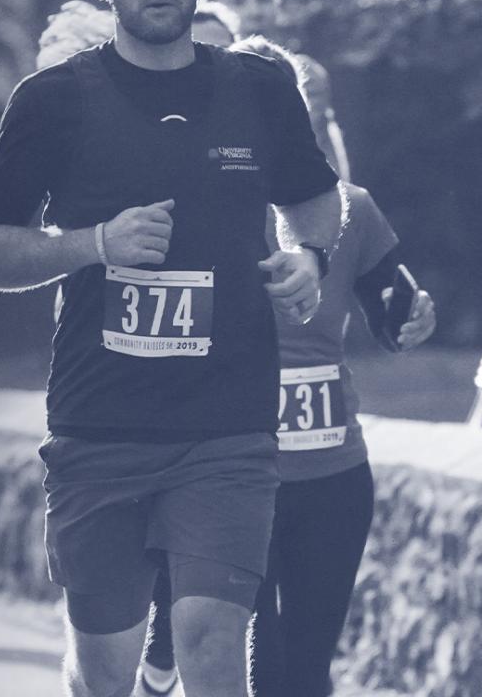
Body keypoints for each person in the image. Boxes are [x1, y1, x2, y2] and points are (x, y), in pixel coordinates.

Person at [0, 0, 342, 697]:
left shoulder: (259, 88)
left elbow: (318, 207)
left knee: (208, 643)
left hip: (227, 425)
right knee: (105, 673)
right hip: (102, 428)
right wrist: (93, 242)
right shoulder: (54, 100)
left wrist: (309, 259)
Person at [132, 37, 437, 697]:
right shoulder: (191, 208)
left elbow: (394, 310)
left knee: (305, 669)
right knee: (256, 659)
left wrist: (412, 319)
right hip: (227, 473)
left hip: (332, 475)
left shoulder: (350, 209)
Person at [206, 0, 351, 181]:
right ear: (212, 8)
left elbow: (338, 183)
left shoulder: (307, 75)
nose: (254, 11)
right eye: (238, 1)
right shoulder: (200, 74)